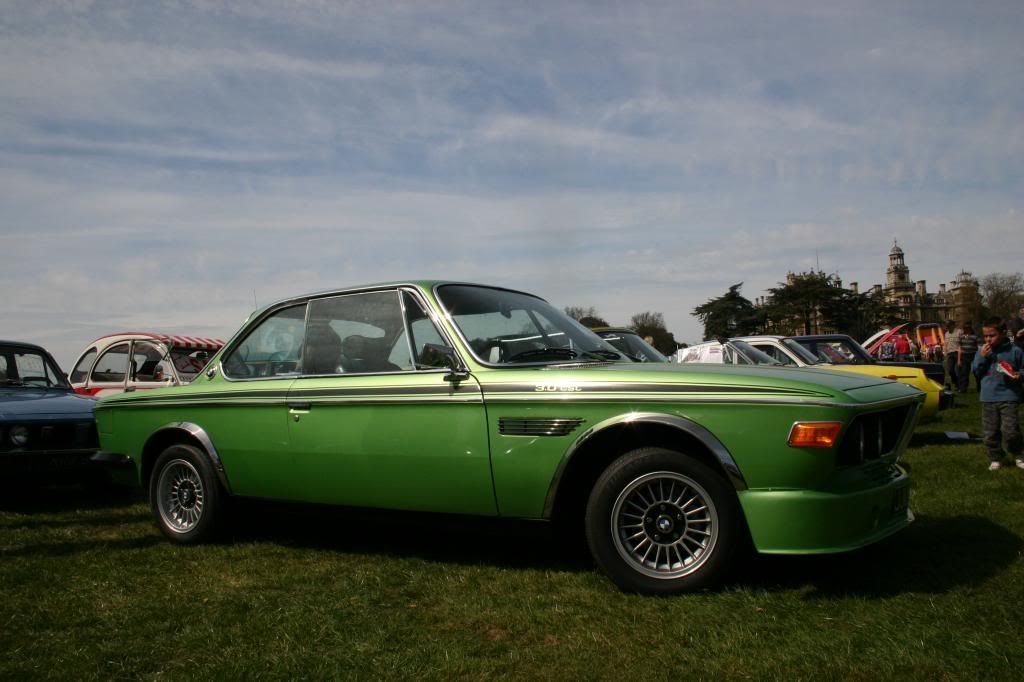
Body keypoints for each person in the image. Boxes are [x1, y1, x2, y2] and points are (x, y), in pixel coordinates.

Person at [972, 317, 1024, 470]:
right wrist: (982, 357)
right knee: (990, 432)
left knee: (1011, 430)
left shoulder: (1015, 351)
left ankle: (1019, 455)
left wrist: (1019, 375)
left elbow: (1022, 369)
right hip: (988, 396)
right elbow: (976, 371)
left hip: (1009, 395)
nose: (988, 339)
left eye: (992, 335)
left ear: (1002, 333)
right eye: (986, 336)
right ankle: (996, 457)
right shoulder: (981, 351)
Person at [958, 322, 979, 393]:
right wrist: (959, 360)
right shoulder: (961, 337)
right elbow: (960, 348)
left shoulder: (974, 337)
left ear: (970, 329)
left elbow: (978, 347)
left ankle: (979, 386)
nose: (966, 330)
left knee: (976, 372)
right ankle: (963, 388)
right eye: (965, 328)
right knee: (964, 373)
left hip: (973, 355)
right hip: (964, 356)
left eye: (968, 328)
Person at [943, 320, 962, 390]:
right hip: (950, 354)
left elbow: (962, 343)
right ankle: (955, 382)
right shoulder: (946, 334)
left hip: (958, 353)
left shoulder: (959, 332)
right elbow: (945, 344)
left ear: (953, 325)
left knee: (958, 370)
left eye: (948, 325)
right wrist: (945, 352)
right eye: (946, 326)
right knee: (950, 370)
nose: (947, 327)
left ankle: (959, 385)